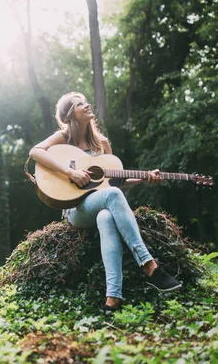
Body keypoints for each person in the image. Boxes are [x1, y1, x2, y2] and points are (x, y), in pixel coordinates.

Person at [28, 91, 181, 311]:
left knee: (107, 216)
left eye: (85, 101)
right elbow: (35, 151)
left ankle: (113, 298)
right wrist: (71, 173)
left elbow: (113, 184)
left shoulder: (102, 144)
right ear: (70, 114)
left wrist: (144, 179)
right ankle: (149, 265)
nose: (86, 104)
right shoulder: (64, 138)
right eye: (79, 104)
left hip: (102, 204)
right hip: (76, 210)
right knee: (113, 197)